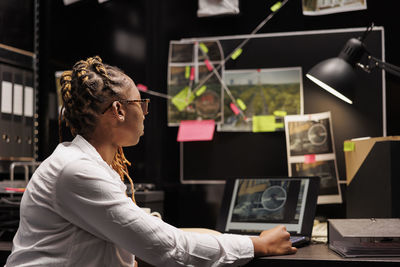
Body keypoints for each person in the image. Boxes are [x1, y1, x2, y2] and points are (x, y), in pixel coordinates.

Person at [6, 56, 296, 267]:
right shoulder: (75, 170)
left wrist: (225, 239)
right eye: (140, 104)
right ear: (118, 110)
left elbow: (155, 234)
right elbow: (167, 248)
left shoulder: (89, 165)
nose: (145, 113)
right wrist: (259, 245)